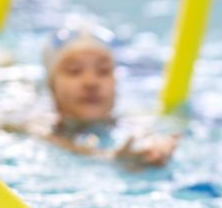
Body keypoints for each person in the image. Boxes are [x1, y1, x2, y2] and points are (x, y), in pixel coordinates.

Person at [36, 25, 180, 166]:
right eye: (74, 70)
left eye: (103, 70)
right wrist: (110, 158)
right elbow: (52, 140)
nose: (91, 82)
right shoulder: (35, 123)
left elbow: (156, 131)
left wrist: (157, 146)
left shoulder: (135, 119)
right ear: (51, 85)